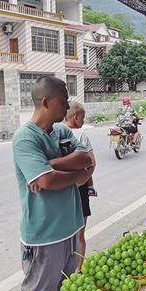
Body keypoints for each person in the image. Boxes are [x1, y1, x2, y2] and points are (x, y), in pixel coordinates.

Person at [13, 76, 95, 291]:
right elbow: (46, 180)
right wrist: (73, 176)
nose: (68, 107)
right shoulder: (25, 137)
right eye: (64, 101)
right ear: (47, 102)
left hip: (70, 230)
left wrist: (49, 164)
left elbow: (86, 160)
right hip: (44, 237)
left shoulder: (61, 130)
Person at [61, 101, 97, 270]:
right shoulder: (81, 134)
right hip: (79, 189)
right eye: (82, 117)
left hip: (60, 188)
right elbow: (92, 163)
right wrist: (83, 181)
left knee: (63, 235)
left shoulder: (54, 132)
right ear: (75, 117)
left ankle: (64, 269)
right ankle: (78, 269)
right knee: (79, 234)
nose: (83, 121)